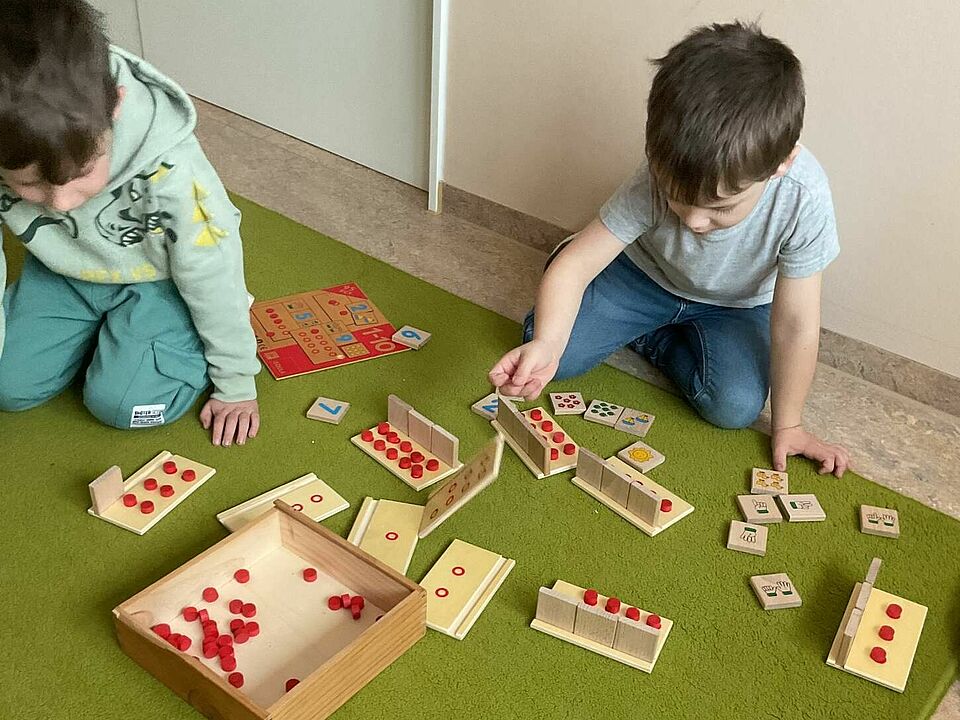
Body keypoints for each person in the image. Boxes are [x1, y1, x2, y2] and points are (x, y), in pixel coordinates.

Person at [489, 21, 850, 477]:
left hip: (734, 307)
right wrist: (547, 342)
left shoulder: (804, 198)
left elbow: (796, 323)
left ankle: (653, 335)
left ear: (781, 164)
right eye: (677, 198)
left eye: (720, 207)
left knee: (735, 407)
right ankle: (635, 319)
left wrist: (789, 424)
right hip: (643, 277)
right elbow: (576, 267)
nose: (694, 222)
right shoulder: (655, 175)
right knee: (550, 356)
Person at [0, 0, 260, 446]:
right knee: (8, 387)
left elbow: (212, 272)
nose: (61, 204)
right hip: (63, 273)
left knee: (123, 405)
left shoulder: (176, 173)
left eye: (81, 173)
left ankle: (170, 338)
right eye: (30, 184)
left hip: (159, 281)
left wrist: (235, 382)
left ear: (115, 106)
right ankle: (99, 337)